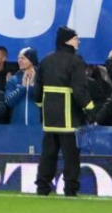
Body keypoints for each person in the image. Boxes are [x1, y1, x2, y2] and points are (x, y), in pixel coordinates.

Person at [36, 26, 94, 196]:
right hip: (69, 114)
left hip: (49, 116)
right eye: (76, 38)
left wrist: (41, 107)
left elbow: (37, 89)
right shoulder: (76, 61)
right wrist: (90, 109)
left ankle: (43, 186)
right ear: (67, 41)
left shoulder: (46, 60)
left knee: (48, 154)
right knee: (71, 156)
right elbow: (79, 89)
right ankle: (70, 188)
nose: (79, 41)